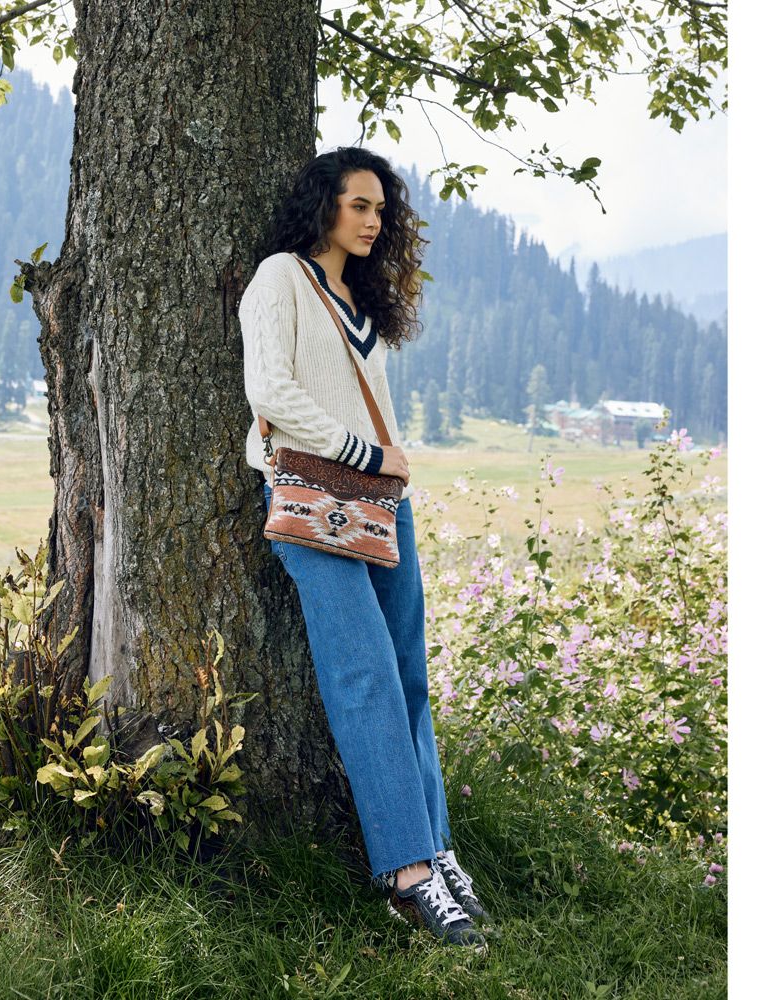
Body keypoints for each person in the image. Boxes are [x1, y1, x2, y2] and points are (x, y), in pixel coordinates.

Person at [238, 147, 493, 951]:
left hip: (382, 505)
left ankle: (439, 849)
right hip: (316, 499)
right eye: (359, 205)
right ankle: (409, 877)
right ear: (324, 206)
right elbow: (269, 391)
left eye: (381, 209)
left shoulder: (360, 300)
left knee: (410, 677)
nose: (374, 220)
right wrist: (363, 455)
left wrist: (386, 471)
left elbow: (370, 403)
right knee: (364, 679)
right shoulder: (280, 277)